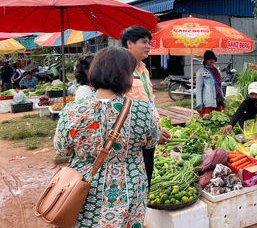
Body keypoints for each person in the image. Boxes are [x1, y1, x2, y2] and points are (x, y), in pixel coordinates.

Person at [54, 47, 160, 227]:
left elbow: (61, 147)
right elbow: (152, 140)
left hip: (82, 186)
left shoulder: (74, 110)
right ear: (126, 76)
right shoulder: (141, 110)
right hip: (130, 185)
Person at [121, 26, 171, 187]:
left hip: (149, 138)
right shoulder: (120, 70)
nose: (149, 46)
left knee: (145, 182)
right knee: (132, 185)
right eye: (144, 42)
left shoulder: (144, 70)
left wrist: (157, 127)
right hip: (132, 141)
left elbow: (150, 103)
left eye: (149, 42)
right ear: (129, 43)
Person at [195, 50, 225, 117]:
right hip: (207, 103)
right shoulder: (200, 72)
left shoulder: (218, 71)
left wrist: (223, 100)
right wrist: (199, 105)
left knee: (217, 122)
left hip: (218, 101)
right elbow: (198, 90)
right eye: (209, 59)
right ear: (205, 60)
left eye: (212, 58)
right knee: (206, 123)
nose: (211, 60)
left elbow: (220, 87)